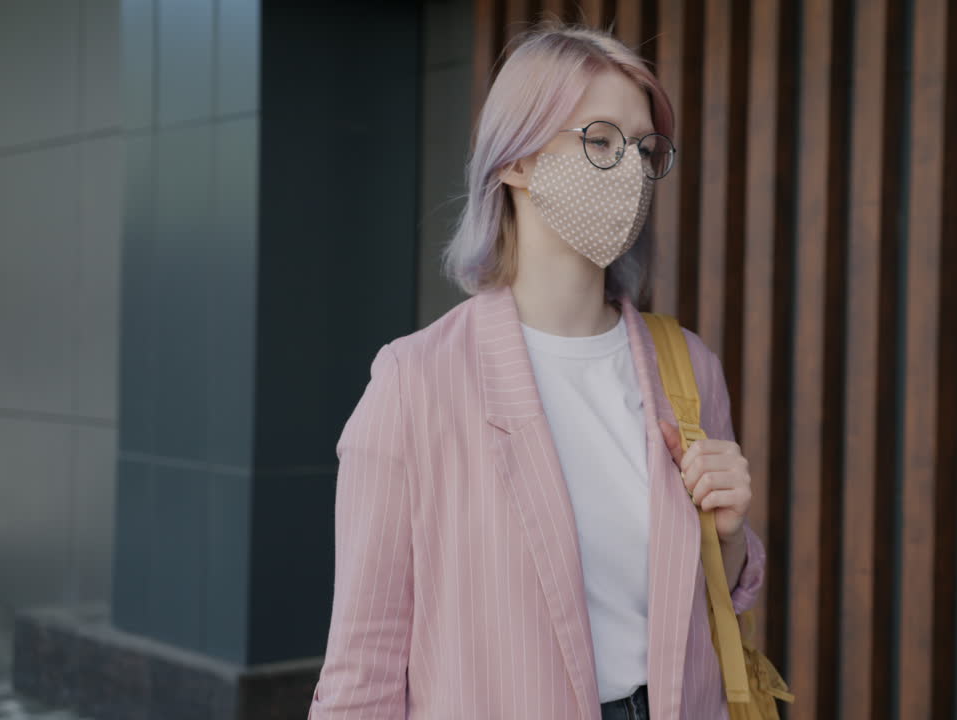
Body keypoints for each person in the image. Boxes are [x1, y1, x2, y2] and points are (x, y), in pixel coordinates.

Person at [307, 20, 766, 720]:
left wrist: (728, 536)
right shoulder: (415, 384)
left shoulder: (689, 370)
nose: (633, 170)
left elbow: (705, 616)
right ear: (515, 162)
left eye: (646, 149)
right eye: (601, 141)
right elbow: (362, 671)